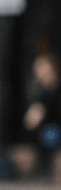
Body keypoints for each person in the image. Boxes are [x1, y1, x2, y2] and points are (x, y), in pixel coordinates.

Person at [24, 52, 60, 181]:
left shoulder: (54, 87)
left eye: (42, 66)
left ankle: (45, 171)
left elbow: (41, 108)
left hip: (53, 127)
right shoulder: (37, 86)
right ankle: (40, 169)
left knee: (46, 138)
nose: (39, 69)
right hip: (41, 128)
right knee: (39, 139)